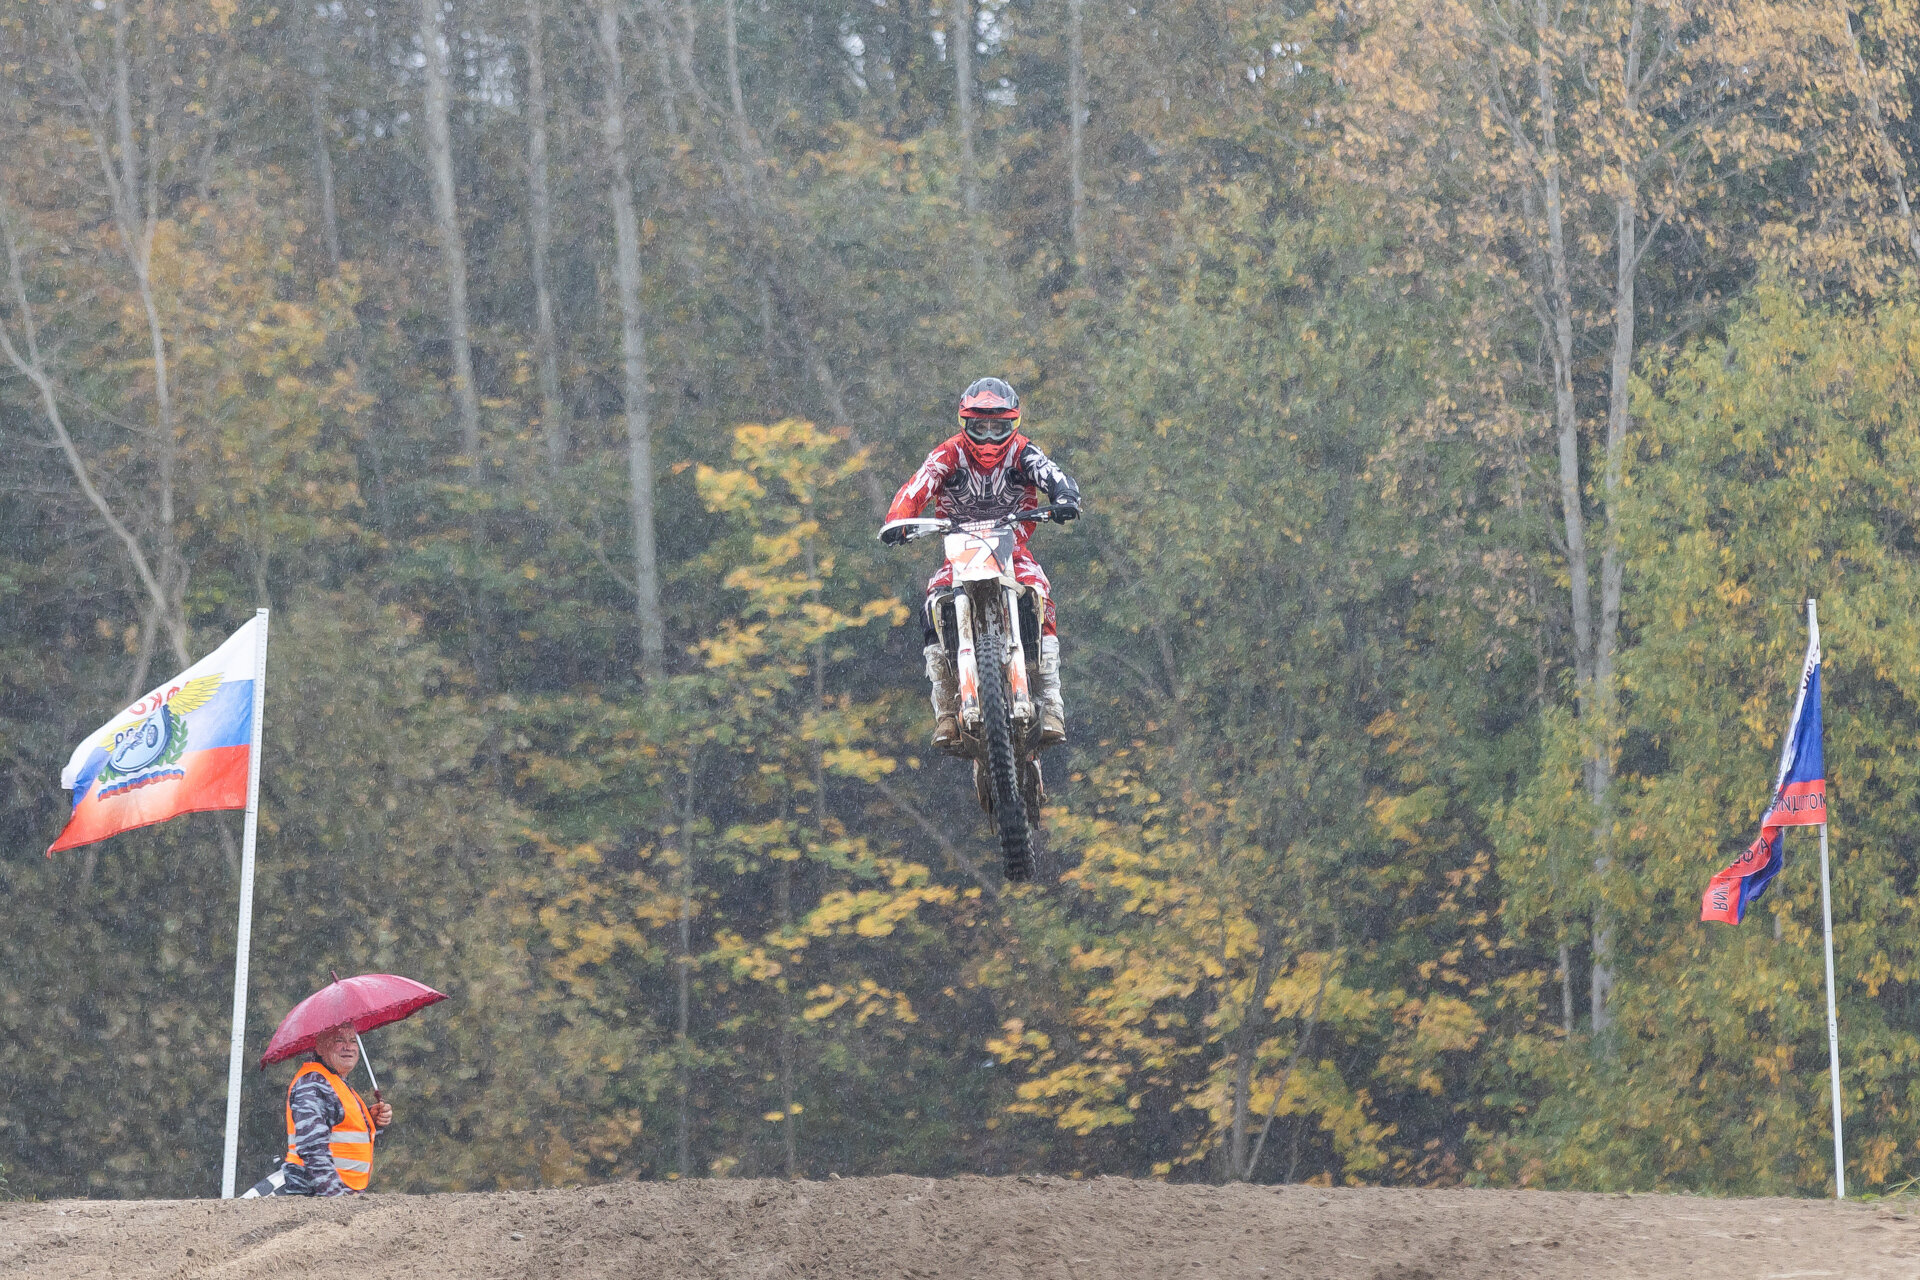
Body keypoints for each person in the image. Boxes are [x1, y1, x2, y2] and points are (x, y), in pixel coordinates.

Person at [881, 377, 1081, 747]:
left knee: (1039, 589)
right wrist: (898, 520)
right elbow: (916, 487)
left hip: (1012, 547)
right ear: (965, 424)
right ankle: (945, 710)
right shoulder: (947, 455)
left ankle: (1051, 702)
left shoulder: (1023, 453)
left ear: (1013, 425)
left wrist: (1066, 495)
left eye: (997, 427)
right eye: (980, 427)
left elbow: (1053, 476)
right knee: (934, 601)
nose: (989, 438)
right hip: (960, 551)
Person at [244, 1022, 391, 1197]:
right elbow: (312, 1147)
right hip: (311, 1194)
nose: (349, 1047)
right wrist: (335, 1196)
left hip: (336, 1193)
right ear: (320, 1047)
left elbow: (340, 1132)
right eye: (339, 1040)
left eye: (353, 1040)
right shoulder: (313, 1083)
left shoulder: (333, 1081)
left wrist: (370, 1121)